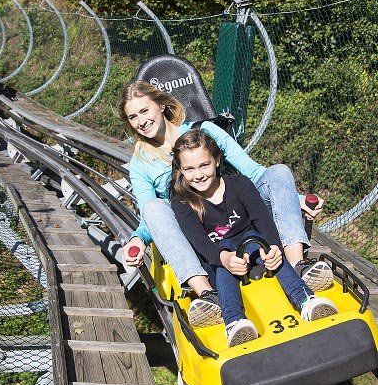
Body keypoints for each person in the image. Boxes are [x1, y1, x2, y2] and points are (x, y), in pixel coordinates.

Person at [117, 80, 332, 328]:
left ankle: (297, 264)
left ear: (162, 105)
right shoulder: (141, 162)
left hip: (234, 212)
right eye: (133, 117)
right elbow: (149, 216)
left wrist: (294, 199)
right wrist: (137, 238)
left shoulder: (205, 131)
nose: (141, 121)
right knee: (154, 207)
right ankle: (207, 293)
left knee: (279, 172)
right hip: (195, 227)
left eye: (144, 111)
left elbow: (253, 172)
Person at [169, 130, 339, 346]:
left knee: (259, 241)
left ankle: (306, 300)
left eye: (204, 165)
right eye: (189, 169)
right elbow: (200, 242)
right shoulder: (183, 202)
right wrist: (225, 258)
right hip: (220, 262)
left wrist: (274, 249)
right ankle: (234, 321)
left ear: (217, 160)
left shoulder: (240, 184)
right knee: (225, 249)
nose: (199, 174)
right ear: (181, 171)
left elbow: (263, 221)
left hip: (252, 249)